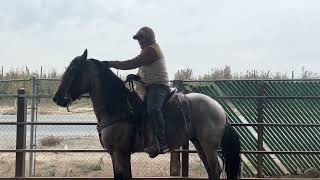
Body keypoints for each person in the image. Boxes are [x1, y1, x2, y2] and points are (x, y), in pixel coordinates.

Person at [104, 26, 170, 158]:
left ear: (148, 39)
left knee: (153, 109)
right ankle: (141, 138)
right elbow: (144, 70)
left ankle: (162, 143)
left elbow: (132, 62)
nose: (139, 42)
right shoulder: (147, 50)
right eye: (138, 39)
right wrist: (135, 76)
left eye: (141, 39)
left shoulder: (151, 50)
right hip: (147, 86)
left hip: (158, 86)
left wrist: (110, 63)